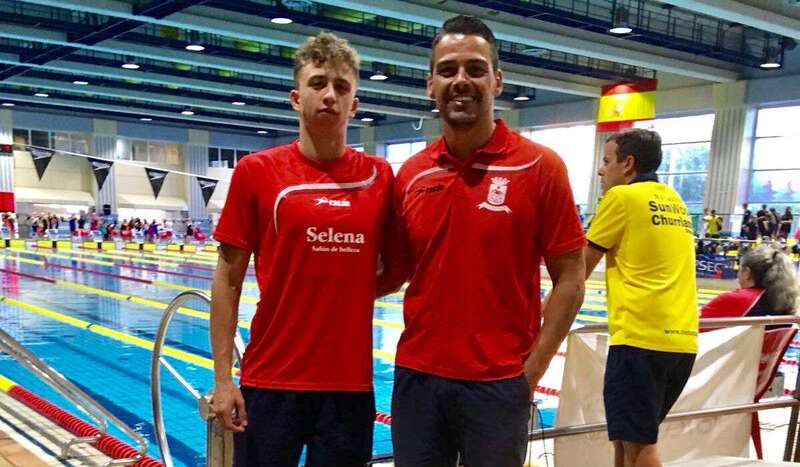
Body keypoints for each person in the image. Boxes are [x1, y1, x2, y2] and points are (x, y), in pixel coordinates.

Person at [383, 15, 586, 467]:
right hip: (418, 378)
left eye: (475, 69)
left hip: (499, 383)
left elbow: (571, 277)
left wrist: (530, 373)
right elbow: (392, 271)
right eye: (448, 70)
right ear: (429, 83)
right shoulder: (412, 174)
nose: (461, 81)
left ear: (497, 79)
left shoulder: (540, 167)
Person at [209, 32, 393, 467]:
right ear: (296, 97)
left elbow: (402, 264)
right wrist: (222, 379)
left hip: (349, 387)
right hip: (271, 378)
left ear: (355, 105)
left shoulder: (379, 176)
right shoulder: (257, 172)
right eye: (318, 83)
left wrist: (345, 292)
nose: (329, 95)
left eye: (342, 87)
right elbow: (227, 277)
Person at [583, 128, 698, 467]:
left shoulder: (621, 199)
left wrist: (541, 311)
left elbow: (579, 269)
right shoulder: (674, 201)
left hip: (639, 342)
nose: (601, 170)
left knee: (640, 448)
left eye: (606, 161)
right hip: (681, 345)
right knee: (626, 442)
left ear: (628, 164)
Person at [701, 245, 798, 325]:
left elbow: (692, 327)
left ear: (747, 272)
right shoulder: (787, 303)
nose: (737, 276)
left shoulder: (738, 299)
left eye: (738, 270)